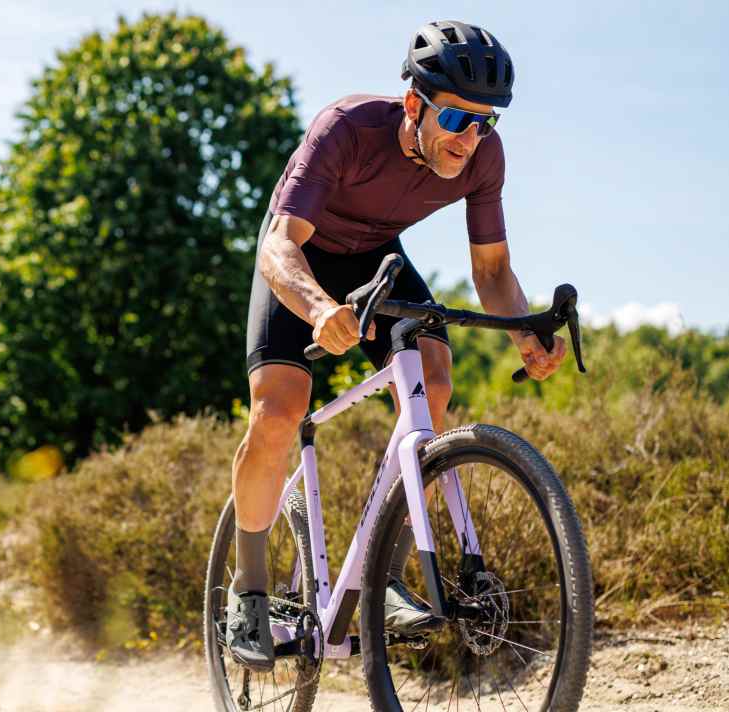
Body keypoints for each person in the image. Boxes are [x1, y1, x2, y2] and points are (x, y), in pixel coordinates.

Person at [225, 20, 568, 671]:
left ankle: (380, 569)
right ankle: (247, 593)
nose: (470, 138)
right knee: (278, 412)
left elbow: (492, 273)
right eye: (456, 118)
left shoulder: (483, 159)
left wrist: (525, 329)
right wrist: (320, 308)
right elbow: (278, 244)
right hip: (300, 258)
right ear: (415, 104)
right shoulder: (347, 128)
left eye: (486, 122)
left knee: (434, 381)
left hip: (376, 261)